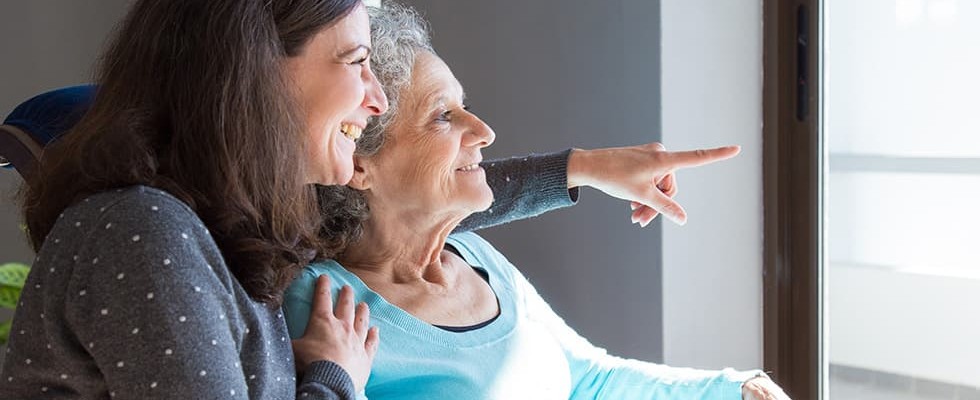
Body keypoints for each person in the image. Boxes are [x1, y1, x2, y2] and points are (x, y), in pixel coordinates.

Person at [0, 0, 744, 399]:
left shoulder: (237, 230)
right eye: (355, 62)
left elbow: (419, 201)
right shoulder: (150, 233)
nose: (374, 96)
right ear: (256, 75)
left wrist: (585, 168)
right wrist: (332, 377)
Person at [283, 4, 790, 400]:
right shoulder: (323, 307)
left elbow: (590, 380)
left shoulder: (478, 260)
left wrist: (733, 387)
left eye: (467, 107)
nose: (483, 131)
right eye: (442, 117)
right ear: (360, 162)